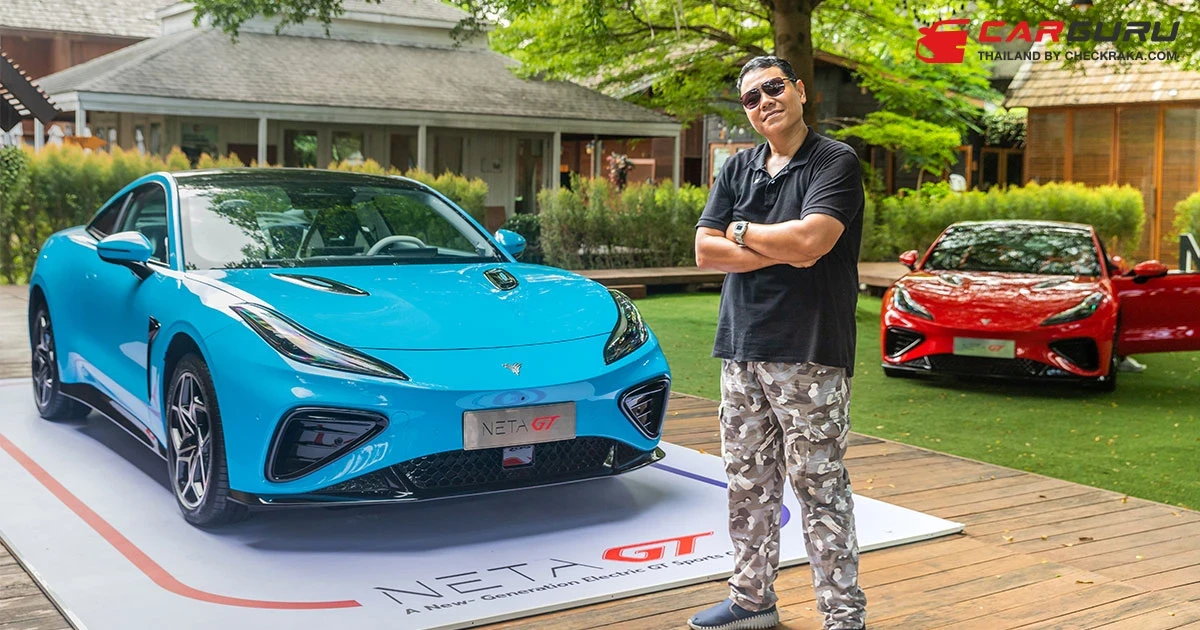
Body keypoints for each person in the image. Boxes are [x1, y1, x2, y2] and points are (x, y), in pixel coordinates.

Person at [688, 56, 868, 630]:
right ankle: (752, 602)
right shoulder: (738, 168)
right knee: (748, 483)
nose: (764, 101)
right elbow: (705, 251)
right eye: (751, 97)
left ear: (799, 91)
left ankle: (843, 617)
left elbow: (812, 241)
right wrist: (780, 246)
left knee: (819, 486)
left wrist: (741, 231)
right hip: (742, 345)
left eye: (773, 87)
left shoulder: (834, 161)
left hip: (809, 348)